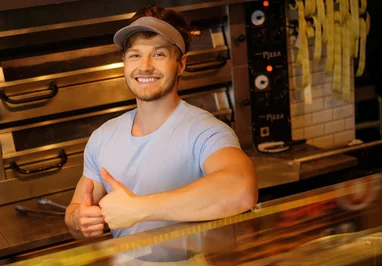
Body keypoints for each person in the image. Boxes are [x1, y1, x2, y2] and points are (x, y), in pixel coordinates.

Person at [65, 4, 258, 241]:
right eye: (135, 55)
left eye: (159, 54)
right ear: (124, 62)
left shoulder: (203, 130)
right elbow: (74, 211)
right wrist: (80, 220)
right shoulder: (104, 136)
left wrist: (139, 209)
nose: (145, 66)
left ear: (181, 64)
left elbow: (241, 189)